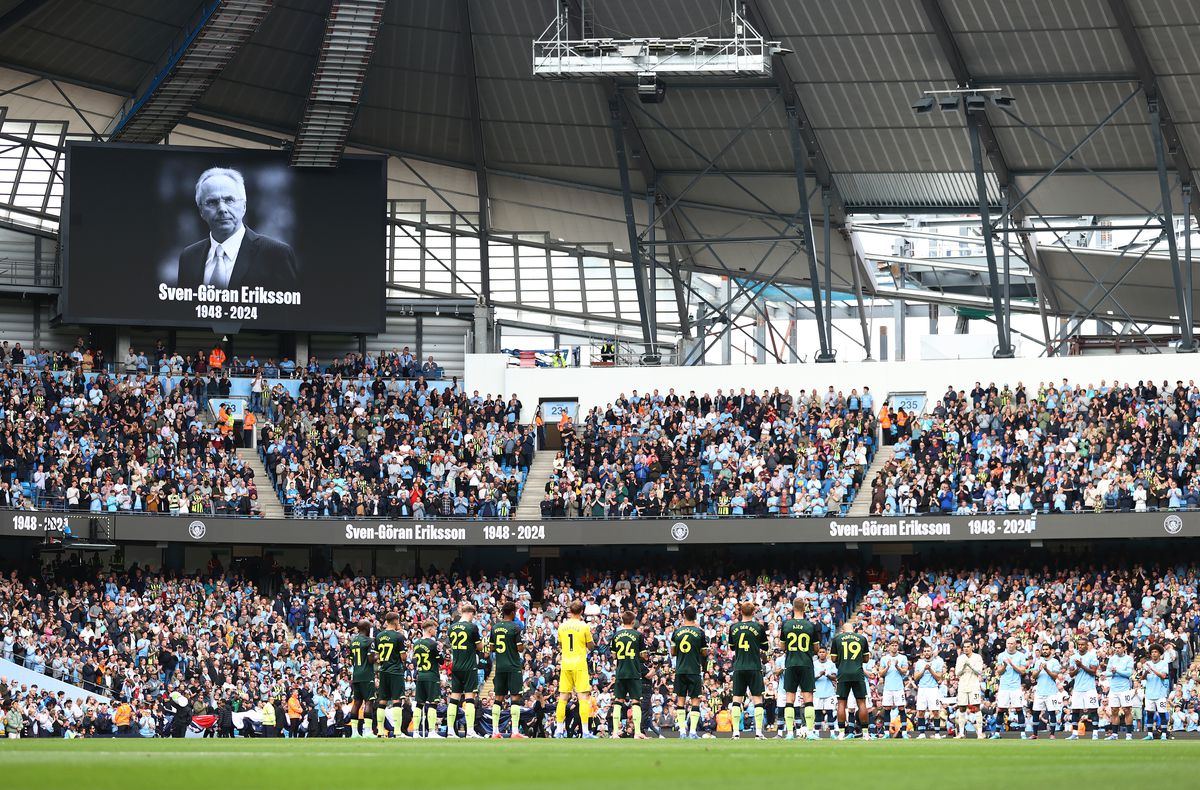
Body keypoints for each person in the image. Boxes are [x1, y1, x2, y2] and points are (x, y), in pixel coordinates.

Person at [176, 167, 299, 292]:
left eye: (229, 200)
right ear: (201, 211)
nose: (222, 209)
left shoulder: (276, 254)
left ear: (244, 206)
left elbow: (290, 310)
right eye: (212, 202)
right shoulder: (189, 257)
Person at [555, 600, 596, 739]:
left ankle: (559, 731)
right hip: (579, 664)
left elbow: (560, 644)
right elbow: (591, 646)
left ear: (570, 611)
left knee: (563, 698)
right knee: (583, 698)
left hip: (566, 664)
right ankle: (585, 732)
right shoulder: (584, 626)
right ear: (582, 612)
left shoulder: (562, 626)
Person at [728, 601, 769, 740]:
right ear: (753, 612)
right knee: (757, 699)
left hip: (739, 666)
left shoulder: (733, 627)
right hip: (754, 667)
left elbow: (732, 647)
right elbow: (765, 647)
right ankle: (758, 732)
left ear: (740, 612)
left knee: (736, 700)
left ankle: (735, 733)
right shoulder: (758, 627)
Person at [779, 596, 818, 740]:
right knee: (808, 699)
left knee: (790, 698)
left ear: (793, 607)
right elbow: (816, 647)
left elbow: (782, 646)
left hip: (791, 663)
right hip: (806, 663)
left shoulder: (786, 625)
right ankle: (810, 732)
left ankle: (789, 733)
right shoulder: (810, 626)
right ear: (804, 608)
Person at [489, 601, 526, 739]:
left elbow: (491, 648)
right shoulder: (515, 627)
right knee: (515, 697)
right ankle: (515, 732)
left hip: (499, 667)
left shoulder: (495, 627)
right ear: (513, 613)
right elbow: (520, 648)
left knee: (498, 698)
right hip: (513, 666)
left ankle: (494, 732)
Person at [447, 603, 484, 738]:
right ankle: (470, 731)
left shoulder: (451, 628)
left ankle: (450, 730)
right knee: (469, 699)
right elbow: (479, 647)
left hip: (456, 665)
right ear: (471, 613)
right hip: (469, 666)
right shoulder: (472, 627)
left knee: (454, 697)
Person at [671, 605, 707, 740]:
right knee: (695, 701)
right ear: (695, 616)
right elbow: (704, 652)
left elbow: (673, 652)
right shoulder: (699, 632)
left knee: (680, 700)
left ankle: (681, 731)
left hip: (680, 670)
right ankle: (692, 732)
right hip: (694, 670)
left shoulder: (677, 632)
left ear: (684, 615)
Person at [610, 610, 648, 739]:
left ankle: (615, 732)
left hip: (620, 672)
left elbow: (614, 655)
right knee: (636, 702)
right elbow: (643, 655)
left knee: (618, 702)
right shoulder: (638, 635)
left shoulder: (616, 635)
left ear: (622, 621)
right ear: (633, 621)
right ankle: (637, 732)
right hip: (634, 672)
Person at [830, 620, 871, 739]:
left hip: (843, 673)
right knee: (861, 703)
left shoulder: (837, 639)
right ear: (853, 629)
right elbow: (866, 659)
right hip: (858, 673)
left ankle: (842, 732)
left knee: (842, 703)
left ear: (843, 630)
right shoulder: (862, 638)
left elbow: (833, 659)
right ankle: (866, 733)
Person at [375, 611, 406, 738]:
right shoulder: (398, 636)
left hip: (383, 671)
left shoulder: (378, 636)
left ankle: (380, 732)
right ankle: (398, 732)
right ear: (395, 621)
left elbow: (377, 656)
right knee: (397, 700)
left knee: (382, 701)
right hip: (395, 671)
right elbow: (403, 657)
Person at [412, 619, 442, 738]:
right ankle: (431, 731)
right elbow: (441, 661)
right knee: (433, 703)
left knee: (419, 704)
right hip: (431, 675)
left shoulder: (416, 643)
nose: (435, 631)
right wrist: (440, 649)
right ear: (430, 629)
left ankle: (415, 732)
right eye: (434, 628)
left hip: (420, 675)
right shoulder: (433, 644)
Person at [993, 636, 1028, 739]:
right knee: (1000, 709)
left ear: (1016, 644)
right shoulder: (1001, 655)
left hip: (1015, 686)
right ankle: (997, 733)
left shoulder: (1021, 655)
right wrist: (1004, 665)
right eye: (1008, 643)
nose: (1010, 645)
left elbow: (1022, 671)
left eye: (1012, 643)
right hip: (1004, 686)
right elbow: (999, 672)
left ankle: (1022, 733)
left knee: (1018, 708)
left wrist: (1012, 664)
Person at [1067, 636, 1100, 740]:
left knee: (1093, 710)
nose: (1080, 646)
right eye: (1079, 645)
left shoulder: (1092, 656)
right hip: (1077, 688)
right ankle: (1075, 734)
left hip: (1090, 688)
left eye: (1082, 645)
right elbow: (1071, 674)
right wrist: (1078, 667)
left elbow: (1093, 672)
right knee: (1075, 710)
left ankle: (1095, 733)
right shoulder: (1073, 657)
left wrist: (1082, 666)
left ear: (1087, 646)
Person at [348, 619, 377, 738]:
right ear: (366, 628)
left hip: (356, 674)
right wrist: (378, 655)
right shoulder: (369, 641)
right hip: (366, 675)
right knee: (369, 702)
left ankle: (354, 732)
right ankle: (367, 731)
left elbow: (351, 659)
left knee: (356, 703)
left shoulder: (353, 641)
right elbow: (370, 660)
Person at [1030, 643, 1062, 739]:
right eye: (1043, 649)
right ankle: (1035, 734)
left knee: (1052, 713)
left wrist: (1046, 669)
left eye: (1046, 649)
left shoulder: (1055, 662)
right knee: (1035, 713)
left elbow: (1055, 676)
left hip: (1051, 692)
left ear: (1050, 650)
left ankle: (1052, 734)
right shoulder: (1038, 661)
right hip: (1040, 691)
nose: (1044, 651)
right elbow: (1033, 676)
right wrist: (1040, 670)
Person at [913, 644, 946, 738]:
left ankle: (937, 733)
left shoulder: (937, 662)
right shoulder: (919, 663)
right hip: (922, 688)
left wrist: (930, 669)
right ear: (923, 653)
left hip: (933, 688)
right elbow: (915, 677)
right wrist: (924, 669)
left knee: (935, 711)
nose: (927, 653)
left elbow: (938, 677)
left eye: (928, 651)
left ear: (931, 652)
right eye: (925, 651)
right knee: (921, 711)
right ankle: (922, 733)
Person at [954, 640, 985, 739]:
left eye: (968, 647)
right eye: (964, 647)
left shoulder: (977, 657)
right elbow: (957, 673)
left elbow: (979, 671)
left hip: (974, 685)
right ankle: (961, 732)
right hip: (963, 685)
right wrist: (964, 666)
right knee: (962, 708)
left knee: (976, 707)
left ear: (972, 647)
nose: (966, 648)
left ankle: (979, 733)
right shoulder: (960, 658)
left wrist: (970, 664)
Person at [879, 639, 910, 738]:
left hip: (898, 687)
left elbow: (905, 672)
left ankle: (904, 732)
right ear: (889, 647)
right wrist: (887, 667)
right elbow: (880, 673)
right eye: (892, 645)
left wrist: (897, 666)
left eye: (896, 645)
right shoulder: (884, 658)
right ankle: (887, 733)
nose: (894, 647)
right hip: (888, 687)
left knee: (901, 708)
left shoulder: (903, 658)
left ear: (898, 647)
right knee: (887, 709)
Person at [1105, 639, 1135, 740]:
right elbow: (1107, 673)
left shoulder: (1129, 659)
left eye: (1119, 648)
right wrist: (1113, 672)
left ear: (1124, 648)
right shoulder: (1112, 658)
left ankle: (1129, 734)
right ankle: (1114, 734)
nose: (1117, 650)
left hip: (1124, 689)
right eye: (1115, 648)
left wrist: (1116, 670)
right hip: (1114, 688)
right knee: (1114, 710)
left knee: (1127, 710)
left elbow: (1129, 674)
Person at [1142, 644, 1171, 740]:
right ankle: (1150, 734)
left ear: (1159, 654)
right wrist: (1146, 672)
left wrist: (1152, 669)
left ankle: (1163, 735)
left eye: (1156, 652)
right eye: (1152, 652)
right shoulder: (1147, 663)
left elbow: (1163, 675)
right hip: (1149, 693)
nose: (1154, 654)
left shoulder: (1164, 663)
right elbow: (1142, 678)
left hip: (1160, 693)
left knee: (1162, 714)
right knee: (1149, 714)